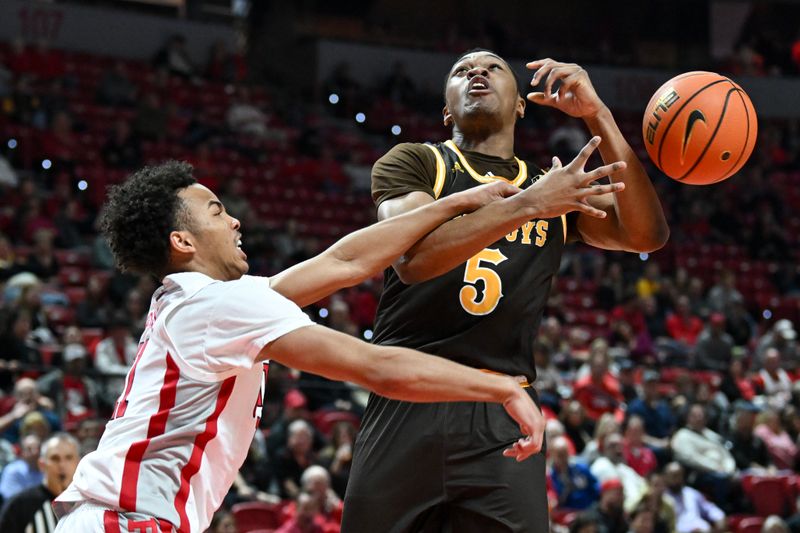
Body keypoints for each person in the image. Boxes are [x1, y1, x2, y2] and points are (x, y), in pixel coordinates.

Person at [52, 161, 545, 533]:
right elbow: (376, 366)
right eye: (218, 212)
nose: (235, 222)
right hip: (128, 519)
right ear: (183, 242)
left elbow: (345, 262)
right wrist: (500, 387)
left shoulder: (203, 304)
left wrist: (456, 203)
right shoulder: (216, 306)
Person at [343, 49, 668, 533]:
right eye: (462, 70)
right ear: (447, 110)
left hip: (504, 410)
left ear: (521, 106)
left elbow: (646, 234)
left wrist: (598, 114)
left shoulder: (553, 188)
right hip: (409, 394)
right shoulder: (418, 162)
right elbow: (413, 259)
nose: (477, 72)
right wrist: (529, 206)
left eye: (493, 67)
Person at [0, 433, 79, 533]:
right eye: (55, 458)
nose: (62, 465)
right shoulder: (19, 505)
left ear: (79, 463)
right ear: (41, 464)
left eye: (69, 458)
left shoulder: (87, 503)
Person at [0, 434, 43, 502]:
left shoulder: (49, 468)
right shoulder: (13, 471)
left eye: (38, 448)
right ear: (22, 453)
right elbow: (12, 501)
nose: (35, 452)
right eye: (29, 449)